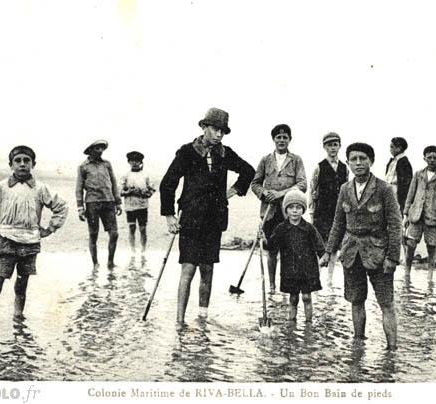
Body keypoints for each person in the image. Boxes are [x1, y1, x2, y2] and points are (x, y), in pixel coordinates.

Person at [160, 107, 255, 325]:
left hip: (214, 220)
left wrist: (233, 191)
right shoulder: (187, 152)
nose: (219, 134)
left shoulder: (225, 153)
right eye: (215, 129)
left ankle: (202, 317)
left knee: (208, 269)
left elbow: (248, 171)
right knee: (188, 268)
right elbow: (168, 184)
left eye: (223, 131)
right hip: (190, 218)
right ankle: (179, 321)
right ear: (204, 128)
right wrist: (169, 216)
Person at [0, 146, 68, 325]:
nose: (22, 164)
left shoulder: (40, 188)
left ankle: (18, 318)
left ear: (33, 164)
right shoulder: (1, 187)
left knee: (22, 285)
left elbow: (61, 206)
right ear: (11, 165)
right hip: (5, 240)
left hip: (30, 242)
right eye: (18, 160)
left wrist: (50, 228)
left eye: (26, 161)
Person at [321, 142, 401, 350]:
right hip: (351, 252)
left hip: (378, 253)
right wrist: (328, 251)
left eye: (363, 158)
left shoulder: (384, 189)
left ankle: (391, 351)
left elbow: (395, 224)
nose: (358, 163)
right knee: (356, 301)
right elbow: (338, 222)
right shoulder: (345, 189)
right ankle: (358, 344)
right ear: (347, 163)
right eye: (354, 159)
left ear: (371, 162)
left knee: (386, 303)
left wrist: (392, 257)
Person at [251, 124, 307, 293]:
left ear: (289, 139)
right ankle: (272, 286)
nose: (281, 140)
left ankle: (287, 285)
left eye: (285, 137)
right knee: (272, 250)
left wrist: (281, 194)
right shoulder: (265, 160)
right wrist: (265, 193)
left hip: (290, 213)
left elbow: (302, 184)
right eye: (278, 137)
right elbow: (255, 183)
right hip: (269, 213)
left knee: (290, 249)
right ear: (274, 139)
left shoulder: (296, 160)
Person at [265, 190, 324, 322]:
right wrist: (263, 239)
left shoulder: (309, 228)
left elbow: (319, 245)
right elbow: (271, 246)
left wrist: (323, 257)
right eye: (291, 207)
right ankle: (292, 324)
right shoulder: (281, 229)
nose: (295, 211)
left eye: (298, 207)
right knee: (293, 298)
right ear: (286, 210)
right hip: (290, 270)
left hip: (308, 270)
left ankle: (309, 323)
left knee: (307, 297)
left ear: (303, 210)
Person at [403, 145, 436, 278]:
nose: (432, 160)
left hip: (434, 217)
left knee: (431, 246)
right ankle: (407, 272)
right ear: (424, 158)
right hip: (416, 216)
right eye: (429, 157)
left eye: (435, 157)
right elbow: (410, 195)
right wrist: (406, 214)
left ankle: (430, 274)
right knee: (411, 244)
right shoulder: (418, 174)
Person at [308, 132, 349, 287]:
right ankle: (316, 278)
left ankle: (329, 281)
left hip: (337, 213)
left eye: (335, 144)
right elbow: (312, 191)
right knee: (320, 246)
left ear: (339, 146)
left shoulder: (345, 168)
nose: (332, 148)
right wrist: (312, 214)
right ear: (324, 147)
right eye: (329, 145)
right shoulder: (319, 167)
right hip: (321, 213)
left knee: (334, 247)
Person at [76, 139, 123, 269]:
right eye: (97, 148)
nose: (100, 151)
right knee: (93, 234)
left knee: (114, 234)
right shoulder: (83, 167)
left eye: (102, 148)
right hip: (92, 203)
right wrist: (80, 207)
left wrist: (118, 202)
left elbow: (113, 183)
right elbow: (79, 188)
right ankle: (95, 263)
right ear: (90, 150)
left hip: (109, 202)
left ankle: (110, 262)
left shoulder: (107, 164)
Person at [121, 150, 155, 263]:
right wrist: (129, 191)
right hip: (130, 206)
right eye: (132, 161)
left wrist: (145, 193)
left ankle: (143, 250)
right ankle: (132, 250)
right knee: (131, 228)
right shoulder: (126, 175)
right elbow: (120, 191)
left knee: (143, 228)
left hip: (142, 206)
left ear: (141, 162)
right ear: (129, 162)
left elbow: (152, 189)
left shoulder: (145, 175)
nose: (134, 163)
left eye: (137, 161)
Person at [385, 137, 413, 212]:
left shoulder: (404, 163)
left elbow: (407, 183)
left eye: (392, 147)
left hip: (397, 192)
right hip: (388, 190)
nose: (390, 149)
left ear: (399, 148)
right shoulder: (392, 161)